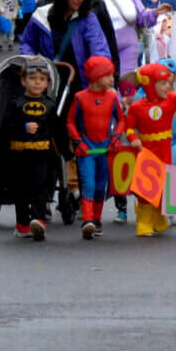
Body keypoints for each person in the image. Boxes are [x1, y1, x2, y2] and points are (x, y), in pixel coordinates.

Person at [119, 62, 176, 236]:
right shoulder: (138, 106)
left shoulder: (173, 99)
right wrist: (133, 139)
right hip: (147, 153)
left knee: (164, 187)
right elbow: (129, 128)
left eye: (168, 83)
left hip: (166, 151)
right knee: (146, 189)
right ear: (149, 84)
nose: (167, 86)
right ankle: (144, 222)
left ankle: (158, 216)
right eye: (162, 83)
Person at [0, 55, 67, 240]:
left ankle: (38, 219)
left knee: (40, 187)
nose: (37, 83)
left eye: (42, 80)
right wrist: (22, 128)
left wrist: (65, 151)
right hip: (19, 155)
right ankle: (22, 223)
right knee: (21, 190)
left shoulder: (50, 106)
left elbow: (58, 131)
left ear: (47, 84)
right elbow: (6, 128)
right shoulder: (15, 104)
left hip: (42, 155)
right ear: (23, 81)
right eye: (32, 79)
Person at [20, 0, 114, 90]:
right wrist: (32, 62)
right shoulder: (40, 16)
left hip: (80, 86)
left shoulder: (88, 19)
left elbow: (99, 49)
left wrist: (101, 75)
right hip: (47, 86)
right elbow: (27, 43)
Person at [67, 55, 123, 239]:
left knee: (101, 186)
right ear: (96, 76)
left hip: (106, 148)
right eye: (108, 75)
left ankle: (96, 220)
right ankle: (88, 219)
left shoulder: (112, 97)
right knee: (89, 184)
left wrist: (115, 137)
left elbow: (122, 119)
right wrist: (78, 141)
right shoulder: (80, 98)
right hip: (87, 149)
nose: (111, 79)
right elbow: (70, 122)